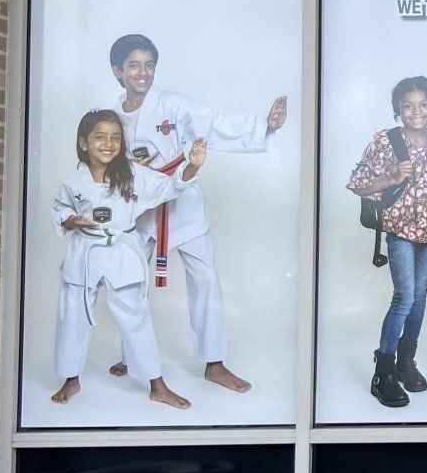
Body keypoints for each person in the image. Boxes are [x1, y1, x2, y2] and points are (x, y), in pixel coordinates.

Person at [105, 33, 286, 393]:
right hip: (139, 208)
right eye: (134, 66)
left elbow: (213, 122)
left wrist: (264, 126)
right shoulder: (111, 118)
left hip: (182, 197)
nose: (143, 72)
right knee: (128, 281)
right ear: (118, 72)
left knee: (205, 281)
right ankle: (132, 355)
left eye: (149, 65)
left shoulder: (172, 105)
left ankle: (215, 362)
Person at [51, 111, 206, 410]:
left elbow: (170, 187)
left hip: (121, 251)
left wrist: (190, 167)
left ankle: (156, 383)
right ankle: (71, 378)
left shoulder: (134, 176)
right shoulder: (74, 181)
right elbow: (60, 209)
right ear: (84, 143)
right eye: (100, 137)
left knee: (135, 316)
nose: (108, 144)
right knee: (72, 315)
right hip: (84, 253)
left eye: (115, 137)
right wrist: (71, 221)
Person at [347, 77, 427, 409]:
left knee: (420, 296)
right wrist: (393, 177)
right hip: (399, 229)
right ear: (398, 110)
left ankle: (407, 362)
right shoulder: (385, 142)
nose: (416, 111)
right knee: (404, 297)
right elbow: (357, 184)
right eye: (408, 106)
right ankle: (384, 372)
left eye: (423, 105)